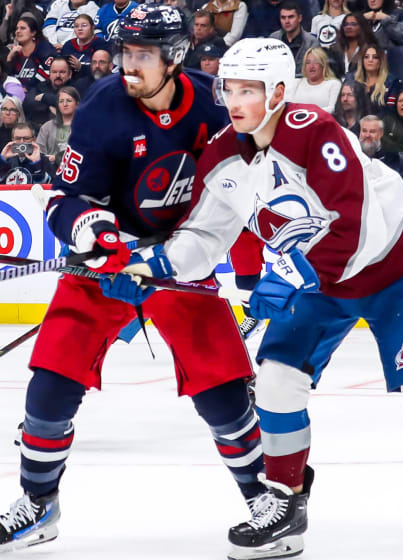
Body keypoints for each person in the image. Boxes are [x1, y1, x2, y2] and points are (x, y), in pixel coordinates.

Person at [114, 36, 403, 559]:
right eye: (228, 89)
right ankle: (284, 503)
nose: (234, 102)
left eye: (248, 90)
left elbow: (355, 221)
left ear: (278, 91)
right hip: (318, 283)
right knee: (277, 379)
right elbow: (205, 237)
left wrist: (295, 274)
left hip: (396, 268)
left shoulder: (314, 132)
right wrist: (155, 267)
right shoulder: (222, 154)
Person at [0, 4, 264, 552]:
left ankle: (264, 499)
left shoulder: (216, 110)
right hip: (109, 263)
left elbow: (235, 198)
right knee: (50, 381)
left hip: (179, 259)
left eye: (143, 55)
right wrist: (95, 235)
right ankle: (37, 504)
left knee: (222, 389)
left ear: (174, 59)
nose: (129, 65)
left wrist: (175, 260)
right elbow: (64, 201)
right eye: (126, 53)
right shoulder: (103, 108)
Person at [23, 56, 75, 132]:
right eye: (54, 72)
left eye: (62, 72)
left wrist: (45, 97)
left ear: (70, 74)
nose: (58, 75)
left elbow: (74, 108)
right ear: (50, 73)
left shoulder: (75, 88)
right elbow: (27, 104)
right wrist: (53, 107)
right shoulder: (40, 86)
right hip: (39, 130)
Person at [5, 16, 57, 92]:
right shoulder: (14, 52)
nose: (18, 31)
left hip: (39, 92)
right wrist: (9, 58)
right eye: (17, 28)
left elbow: (48, 73)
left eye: (22, 28)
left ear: (33, 33)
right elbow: (7, 77)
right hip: (15, 92)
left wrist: (27, 88)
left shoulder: (44, 48)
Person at [269, 0, 318, 77]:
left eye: (291, 17)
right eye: (283, 18)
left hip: (303, 83)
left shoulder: (311, 42)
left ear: (299, 18)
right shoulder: (273, 39)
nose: (287, 21)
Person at [36, 85, 80, 170]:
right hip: (51, 171)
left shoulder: (85, 126)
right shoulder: (47, 127)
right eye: (61, 101)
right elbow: (39, 153)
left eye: (69, 101)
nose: (65, 104)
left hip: (77, 171)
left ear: (77, 103)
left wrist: (57, 158)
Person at [350, 43, 400, 115]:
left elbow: (391, 111)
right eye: (366, 57)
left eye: (375, 57)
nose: (370, 60)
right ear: (362, 61)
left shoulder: (391, 82)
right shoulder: (351, 79)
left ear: (380, 61)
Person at [288, 46, 341, 113]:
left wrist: (308, 114)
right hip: (297, 121)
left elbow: (332, 108)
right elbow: (288, 106)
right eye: (308, 62)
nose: (311, 66)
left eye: (316, 62)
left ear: (323, 65)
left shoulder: (334, 84)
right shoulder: (296, 83)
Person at [328, 12, 377, 79]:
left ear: (362, 26)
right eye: (345, 24)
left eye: (353, 24)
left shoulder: (370, 49)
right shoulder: (335, 49)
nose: (348, 27)